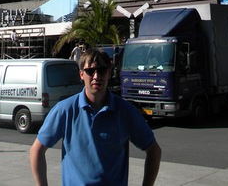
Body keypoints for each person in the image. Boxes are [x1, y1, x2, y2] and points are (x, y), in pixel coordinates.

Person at [30, 48, 162, 186]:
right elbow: (37, 150)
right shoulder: (65, 110)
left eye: (102, 70)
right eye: (90, 71)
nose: (96, 76)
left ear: (109, 73)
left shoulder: (125, 111)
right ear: (81, 74)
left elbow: (154, 151)